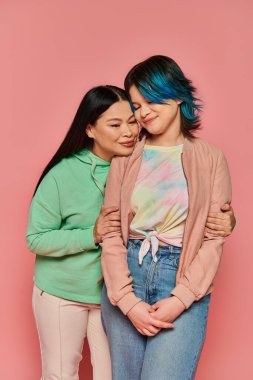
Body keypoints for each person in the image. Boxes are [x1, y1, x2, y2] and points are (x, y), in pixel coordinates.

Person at [101, 55, 235, 380]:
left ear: (177, 96)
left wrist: (180, 299)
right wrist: (127, 301)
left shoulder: (211, 158)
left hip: (183, 277)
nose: (143, 111)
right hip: (127, 276)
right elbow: (110, 233)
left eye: (152, 99)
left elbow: (215, 237)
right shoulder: (125, 157)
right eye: (136, 104)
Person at [26, 85, 140, 380]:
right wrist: (92, 234)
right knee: (61, 375)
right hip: (62, 292)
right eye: (115, 124)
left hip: (113, 296)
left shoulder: (141, 166)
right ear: (90, 129)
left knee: (115, 375)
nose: (128, 131)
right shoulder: (63, 174)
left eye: (132, 121)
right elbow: (36, 238)